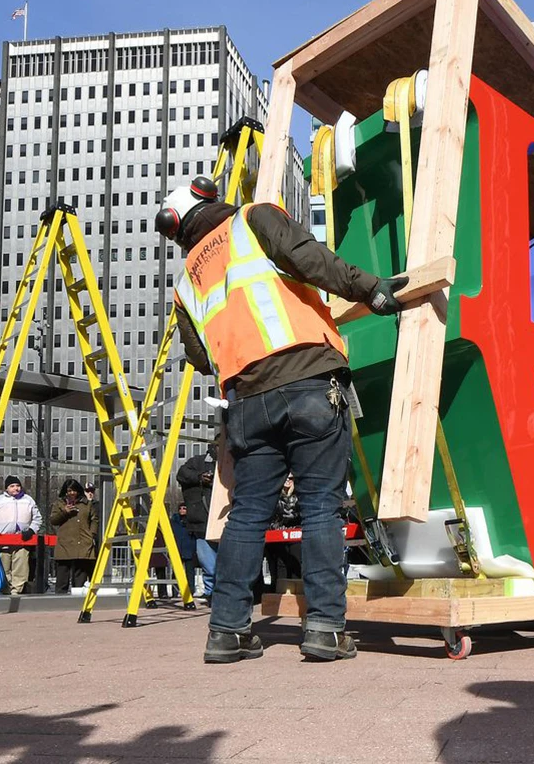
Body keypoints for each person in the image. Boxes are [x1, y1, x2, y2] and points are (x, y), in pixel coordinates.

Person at [156, 178, 407, 663]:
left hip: (247, 404)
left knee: (247, 512)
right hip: (308, 379)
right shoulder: (252, 219)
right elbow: (312, 260)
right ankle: (326, 629)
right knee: (320, 508)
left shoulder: (186, 279)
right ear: (208, 197)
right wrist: (372, 290)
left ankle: (227, 630)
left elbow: (199, 356)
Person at [176, 437, 220, 604]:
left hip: (221, 520)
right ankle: (211, 592)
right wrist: (200, 477)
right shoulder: (197, 461)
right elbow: (181, 474)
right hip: (201, 521)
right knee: (208, 562)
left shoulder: (233, 462)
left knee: (220, 562)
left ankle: (216, 592)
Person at [0, 475, 42, 594]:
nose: (15, 488)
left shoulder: (28, 500)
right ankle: (6, 589)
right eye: (12, 486)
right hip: (3, 539)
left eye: (18, 486)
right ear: (6, 488)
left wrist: (31, 531)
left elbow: (37, 518)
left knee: (21, 566)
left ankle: (17, 590)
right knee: (4, 566)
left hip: (23, 540)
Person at [49, 478, 99, 594]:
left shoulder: (87, 504)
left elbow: (94, 520)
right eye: (69, 491)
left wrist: (92, 534)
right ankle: (60, 600)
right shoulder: (59, 504)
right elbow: (53, 520)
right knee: (62, 574)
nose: (72, 493)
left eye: (74, 491)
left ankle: (78, 599)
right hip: (65, 543)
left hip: (83, 542)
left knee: (80, 576)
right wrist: (65, 512)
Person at [170, 502, 198, 598]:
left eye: (184, 508)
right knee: (176, 571)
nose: (182, 510)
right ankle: (175, 591)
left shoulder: (191, 522)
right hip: (177, 549)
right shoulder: (174, 521)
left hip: (189, 548)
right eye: (180, 508)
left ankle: (190, 591)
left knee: (190, 571)